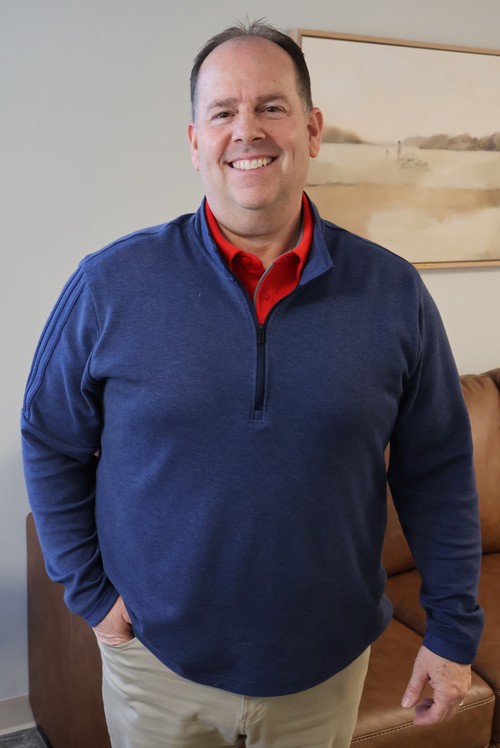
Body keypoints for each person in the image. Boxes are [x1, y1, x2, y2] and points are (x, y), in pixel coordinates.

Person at [21, 20, 483, 748]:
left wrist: (454, 630)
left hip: (325, 671)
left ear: (312, 129)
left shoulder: (393, 294)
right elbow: (49, 438)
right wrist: (90, 593)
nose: (247, 130)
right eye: (223, 112)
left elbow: (439, 470)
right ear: (194, 141)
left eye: (272, 106)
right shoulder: (111, 285)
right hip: (157, 668)